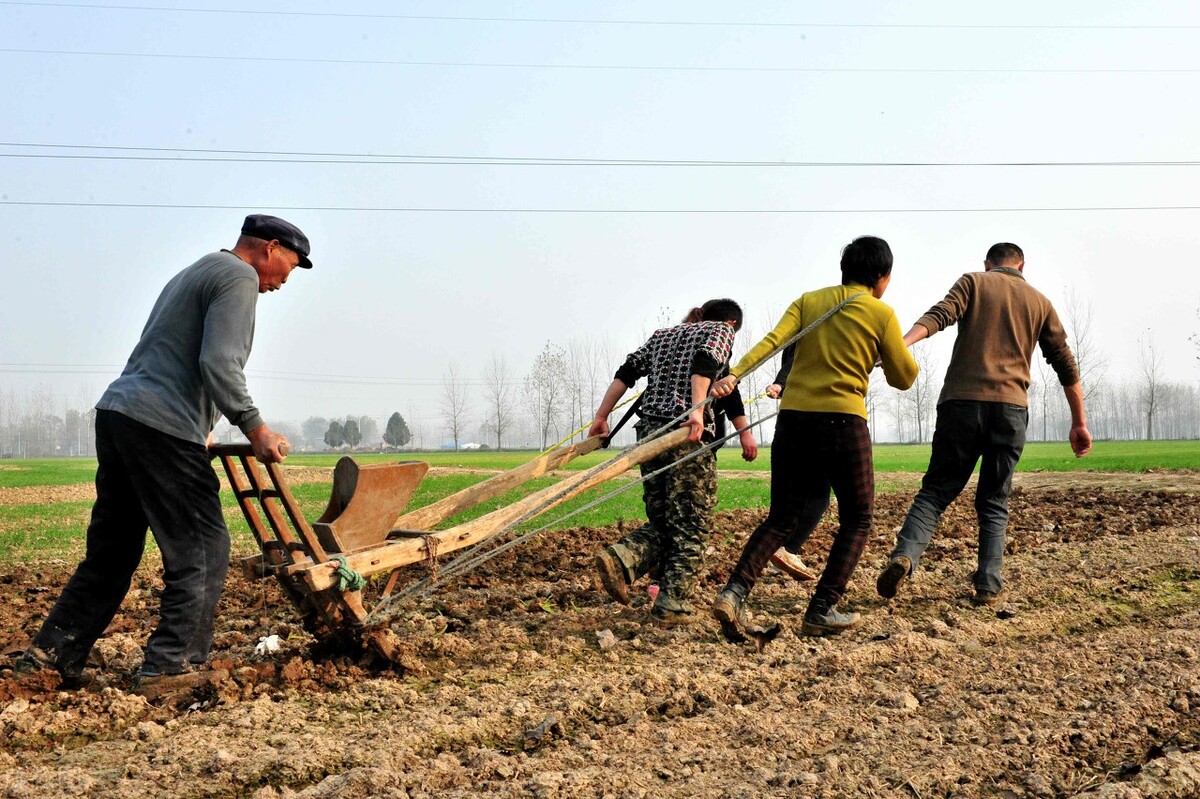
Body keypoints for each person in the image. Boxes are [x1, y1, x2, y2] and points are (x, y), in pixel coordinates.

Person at [16, 214, 310, 690]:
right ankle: (170, 665)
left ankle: (50, 657)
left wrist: (203, 426)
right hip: (161, 426)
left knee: (111, 554)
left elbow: (169, 353)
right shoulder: (239, 276)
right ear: (270, 248)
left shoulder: (198, 269)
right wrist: (254, 427)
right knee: (203, 547)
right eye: (289, 268)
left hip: (121, 415)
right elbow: (219, 361)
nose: (283, 282)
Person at [711, 236, 918, 638]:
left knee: (781, 517)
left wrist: (735, 375)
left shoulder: (808, 301)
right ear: (880, 276)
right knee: (858, 518)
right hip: (844, 423)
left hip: (793, 421)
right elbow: (905, 377)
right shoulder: (881, 314)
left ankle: (733, 593)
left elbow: (773, 342)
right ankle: (821, 608)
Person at [876, 243, 1091, 606]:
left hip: (960, 405)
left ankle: (906, 556)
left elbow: (940, 315)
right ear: (1022, 266)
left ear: (988, 264)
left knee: (936, 491)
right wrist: (1079, 422)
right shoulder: (1040, 302)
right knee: (994, 500)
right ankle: (988, 584)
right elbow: (1065, 364)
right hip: (1010, 410)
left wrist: (900, 344)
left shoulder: (974, 282)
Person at [590, 298, 744, 623]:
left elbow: (626, 373)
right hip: (685, 435)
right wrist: (697, 411)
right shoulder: (721, 331)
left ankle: (622, 559)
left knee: (663, 521)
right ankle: (671, 606)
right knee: (692, 525)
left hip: (649, 433)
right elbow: (704, 364)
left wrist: (602, 416)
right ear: (731, 324)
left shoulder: (664, 335)